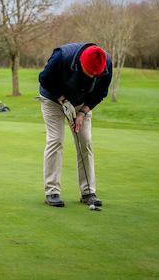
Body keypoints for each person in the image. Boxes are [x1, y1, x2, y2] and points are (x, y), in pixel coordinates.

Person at [38, 43, 112, 208]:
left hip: (81, 102)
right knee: (56, 140)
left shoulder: (107, 64)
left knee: (85, 141)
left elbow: (101, 93)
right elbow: (44, 78)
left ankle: (88, 192)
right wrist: (63, 101)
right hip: (52, 99)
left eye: (96, 75)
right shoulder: (62, 57)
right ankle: (52, 191)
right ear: (80, 63)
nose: (93, 77)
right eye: (89, 73)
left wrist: (82, 112)